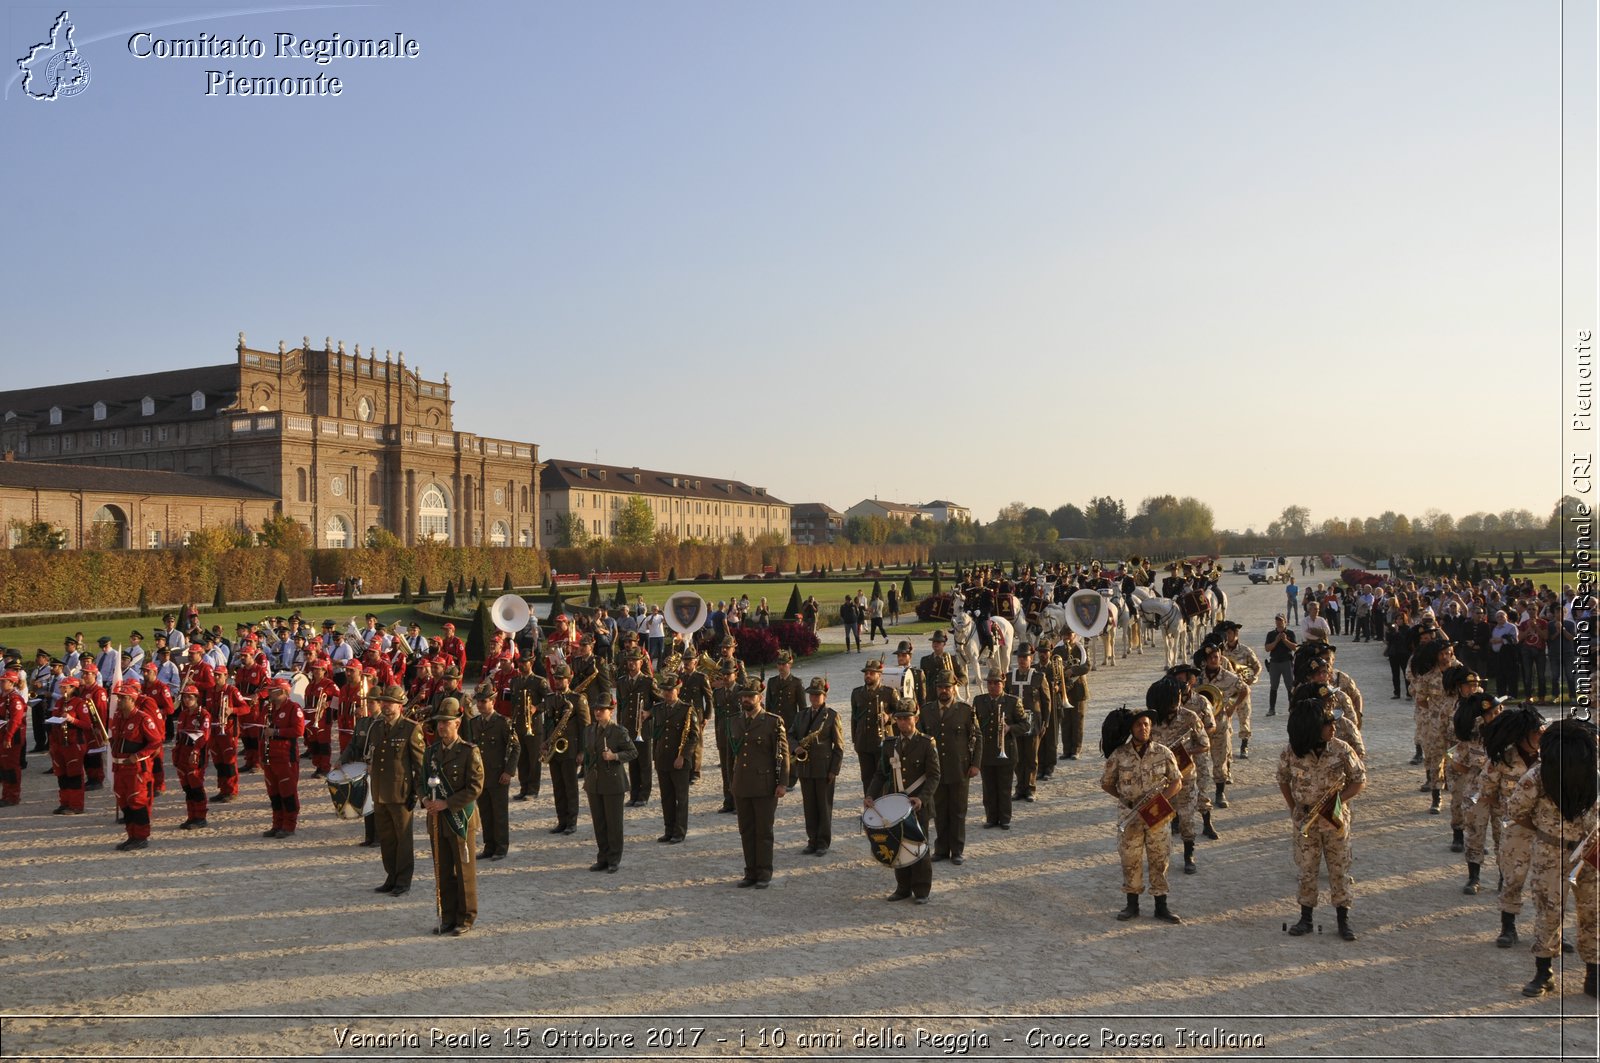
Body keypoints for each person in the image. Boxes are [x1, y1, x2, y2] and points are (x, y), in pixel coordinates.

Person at [1508, 717, 1598, 997]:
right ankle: (1543, 972)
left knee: (1594, 912)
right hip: (1552, 850)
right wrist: (1544, 833)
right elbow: (1516, 810)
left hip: (1590, 851)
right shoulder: (1538, 777)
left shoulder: (1594, 774)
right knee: (1549, 911)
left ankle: (1593, 974)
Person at [1277, 698, 1367, 941]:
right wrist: (1294, 807)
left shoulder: (1341, 749)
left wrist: (1337, 801)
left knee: (1339, 868)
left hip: (1334, 819)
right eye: (1328, 724)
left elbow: (1359, 780)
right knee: (1307, 869)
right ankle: (1306, 918)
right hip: (1305, 818)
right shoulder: (1291, 751)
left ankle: (1343, 920)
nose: (1333, 727)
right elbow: (1283, 778)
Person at [1100, 704, 1183, 923]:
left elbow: (1177, 781)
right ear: (1131, 729)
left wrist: (1162, 798)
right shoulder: (1120, 755)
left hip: (1157, 815)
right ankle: (1132, 905)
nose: (1143, 728)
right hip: (1131, 817)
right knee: (1130, 858)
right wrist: (1124, 798)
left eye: (1146, 724)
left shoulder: (1163, 752)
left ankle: (1161, 906)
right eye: (1138, 725)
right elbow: (1106, 783)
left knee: (1160, 857)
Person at [1480, 706, 1545, 948]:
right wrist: (1509, 811)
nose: (1541, 734)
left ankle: (1553, 931)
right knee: (1513, 878)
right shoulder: (1502, 759)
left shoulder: (1552, 756)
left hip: (1547, 831)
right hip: (1516, 830)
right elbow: (1486, 791)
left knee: (1550, 883)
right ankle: (1508, 927)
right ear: (1522, 736)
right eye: (1536, 731)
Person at [422, 699, 485, 936]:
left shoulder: (469, 751)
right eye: (439, 723)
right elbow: (422, 782)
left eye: (446, 723)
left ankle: (466, 917)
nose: (441, 727)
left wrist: (446, 803)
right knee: (443, 870)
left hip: (460, 820)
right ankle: (447, 916)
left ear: (457, 723)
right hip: (437, 821)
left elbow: (475, 788)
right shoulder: (431, 752)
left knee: (464, 871)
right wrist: (425, 800)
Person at [868, 703, 941, 904]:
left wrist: (922, 798)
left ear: (915, 719)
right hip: (895, 805)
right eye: (899, 718)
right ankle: (903, 888)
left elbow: (934, 776)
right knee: (898, 846)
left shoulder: (926, 743)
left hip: (918, 805)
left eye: (906, 718)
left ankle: (922, 890)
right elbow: (880, 774)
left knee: (919, 846)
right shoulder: (890, 744)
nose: (902, 722)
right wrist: (870, 796)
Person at [729, 676, 788, 888]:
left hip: (764, 785)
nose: (746, 699)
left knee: (763, 831)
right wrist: (732, 783)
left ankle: (764, 872)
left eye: (750, 696)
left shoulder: (772, 722)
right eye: (743, 696)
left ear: (759, 697)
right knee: (746, 830)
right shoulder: (735, 721)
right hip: (742, 785)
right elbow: (731, 757)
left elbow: (782, 754)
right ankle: (750, 871)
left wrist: (782, 783)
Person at [368, 684, 426, 897]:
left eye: (390, 702)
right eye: (383, 701)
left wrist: (418, 794)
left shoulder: (411, 729)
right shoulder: (376, 728)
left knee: (403, 839)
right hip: (380, 792)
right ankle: (390, 876)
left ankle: (403, 880)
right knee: (386, 838)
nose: (385, 705)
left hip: (401, 794)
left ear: (400, 705)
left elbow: (420, 765)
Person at [920, 670, 978, 864]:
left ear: (954, 688)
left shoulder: (965, 710)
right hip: (936, 771)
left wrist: (976, 764)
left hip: (959, 769)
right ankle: (942, 849)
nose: (944, 690)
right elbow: (921, 740)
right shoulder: (927, 711)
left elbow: (977, 738)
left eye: (947, 687)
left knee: (958, 810)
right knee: (939, 811)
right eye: (940, 687)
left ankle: (957, 850)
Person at [789, 676, 844, 856]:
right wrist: (794, 746)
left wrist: (833, 770)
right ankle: (811, 840)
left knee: (824, 806)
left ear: (824, 696)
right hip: (805, 767)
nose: (814, 698)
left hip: (824, 769)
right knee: (809, 806)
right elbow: (790, 735)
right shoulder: (801, 714)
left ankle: (823, 842)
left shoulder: (832, 716)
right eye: (811, 695)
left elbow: (839, 747)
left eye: (817, 695)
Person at [581, 691, 635, 873]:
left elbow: (633, 752)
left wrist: (615, 756)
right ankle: (602, 857)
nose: (598, 712)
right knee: (599, 822)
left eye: (602, 709)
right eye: (596, 709)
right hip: (594, 782)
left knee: (614, 823)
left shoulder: (619, 731)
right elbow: (589, 753)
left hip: (613, 782)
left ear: (610, 711)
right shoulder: (589, 730)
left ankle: (614, 859)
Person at [464, 686, 518, 860]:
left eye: (484, 701)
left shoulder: (503, 722)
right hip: (481, 775)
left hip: (498, 775)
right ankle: (489, 846)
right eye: (478, 701)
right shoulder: (474, 723)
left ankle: (501, 847)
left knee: (499, 813)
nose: (480, 705)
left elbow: (515, 747)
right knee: (486, 813)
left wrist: (509, 772)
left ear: (492, 702)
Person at [109, 681, 163, 851]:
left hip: (136, 769)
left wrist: (138, 756)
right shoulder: (118, 717)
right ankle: (131, 835)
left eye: (123, 698)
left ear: (132, 700)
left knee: (137, 802)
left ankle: (141, 836)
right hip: (120, 767)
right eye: (118, 698)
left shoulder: (142, 718)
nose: (119, 701)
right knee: (124, 802)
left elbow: (156, 741)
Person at [973, 665, 1028, 830]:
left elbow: (1026, 724)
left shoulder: (1013, 701)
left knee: (1004, 787)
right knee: (988, 788)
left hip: (1007, 751)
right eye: (990, 683)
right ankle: (991, 817)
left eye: (996, 683)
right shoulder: (979, 700)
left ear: (1003, 683)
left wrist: (1010, 728)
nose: (992, 686)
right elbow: (973, 723)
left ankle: (1004, 819)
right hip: (987, 752)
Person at [541, 663, 591, 835]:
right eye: (555, 678)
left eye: (561, 679)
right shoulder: (549, 699)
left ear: (568, 680)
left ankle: (572, 822)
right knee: (558, 787)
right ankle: (561, 820)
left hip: (570, 749)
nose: (557, 681)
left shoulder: (577, 699)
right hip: (554, 749)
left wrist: (582, 751)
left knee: (570, 786)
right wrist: (545, 742)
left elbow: (585, 727)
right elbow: (547, 723)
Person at [651, 672, 699, 844]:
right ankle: (668, 829)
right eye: (665, 690)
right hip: (663, 759)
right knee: (667, 798)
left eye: (670, 691)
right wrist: (654, 756)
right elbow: (655, 736)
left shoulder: (686, 710)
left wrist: (683, 756)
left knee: (681, 798)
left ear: (677, 691)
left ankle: (679, 831)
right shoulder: (658, 709)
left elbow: (694, 737)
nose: (667, 694)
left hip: (679, 760)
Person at [259, 679, 306, 838]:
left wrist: (277, 732)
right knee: (274, 793)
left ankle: (289, 825)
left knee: (288, 792)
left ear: (283, 692)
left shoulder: (293, 708)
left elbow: (299, 730)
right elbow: (262, 733)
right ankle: (277, 824)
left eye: (273, 690)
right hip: (269, 756)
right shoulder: (267, 709)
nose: (269, 693)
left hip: (286, 757)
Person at [614, 650, 655, 807]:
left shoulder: (648, 682)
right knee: (632, 763)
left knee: (644, 763)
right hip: (628, 728)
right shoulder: (622, 682)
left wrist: (649, 713)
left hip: (643, 729)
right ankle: (634, 794)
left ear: (641, 663)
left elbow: (659, 703)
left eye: (634, 660)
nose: (631, 663)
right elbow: (621, 705)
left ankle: (644, 795)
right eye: (629, 660)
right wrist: (619, 727)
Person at [850, 659, 898, 790]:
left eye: (872, 673)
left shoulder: (889, 692)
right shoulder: (857, 693)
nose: (868, 675)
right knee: (866, 778)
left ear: (879, 675)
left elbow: (900, 712)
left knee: (884, 777)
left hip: (882, 742)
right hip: (863, 742)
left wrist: (889, 717)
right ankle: (869, 805)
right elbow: (854, 718)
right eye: (866, 673)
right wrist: (855, 740)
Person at [1008, 644, 1047, 802]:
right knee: (1017, 757)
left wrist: (1046, 722)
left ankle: (1030, 788)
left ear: (1031, 658)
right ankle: (1019, 788)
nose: (1023, 660)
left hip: (1034, 722)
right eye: (1020, 658)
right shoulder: (1010, 677)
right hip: (1016, 723)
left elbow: (1046, 702)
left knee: (1031, 757)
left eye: (1025, 657)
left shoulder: (1039, 677)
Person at [172, 684, 211, 829]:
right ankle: (191, 816)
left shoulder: (203, 715)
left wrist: (195, 751)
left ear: (196, 698)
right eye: (184, 697)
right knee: (187, 787)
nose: (187, 700)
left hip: (195, 754)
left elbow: (204, 736)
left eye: (190, 697)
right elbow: (179, 735)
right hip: (182, 752)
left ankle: (200, 817)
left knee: (196, 785)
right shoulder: (183, 714)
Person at [0, 669, 26, 806]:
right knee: (4, 767)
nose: (1, 683)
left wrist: (8, 737)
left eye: (3, 681)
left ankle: (13, 796)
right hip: (3, 735)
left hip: (12, 736)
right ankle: (6, 794)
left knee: (11, 766)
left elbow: (16, 720)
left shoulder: (15, 699)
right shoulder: (4, 697)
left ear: (11, 683)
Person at [764, 650, 805, 737]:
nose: (781, 667)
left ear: (790, 664)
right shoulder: (772, 682)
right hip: (774, 724)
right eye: (779, 664)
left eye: (784, 664)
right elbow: (768, 705)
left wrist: (800, 727)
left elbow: (802, 708)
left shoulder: (796, 683)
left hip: (789, 726)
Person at [1264, 615, 1298, 716]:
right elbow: (1267, 648)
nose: (1279, 623)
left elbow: (1295, 647)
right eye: (1277, 621)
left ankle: (1292, 708)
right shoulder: (1271, 634)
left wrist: (1285, 640)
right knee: (1273, 686)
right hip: (1274, 662)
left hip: (1286, 662)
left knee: (1290, 686)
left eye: (1281, 621)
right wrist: (1276, 640)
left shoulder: (1290, 633)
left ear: (1285, 622)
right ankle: (1271, 709)